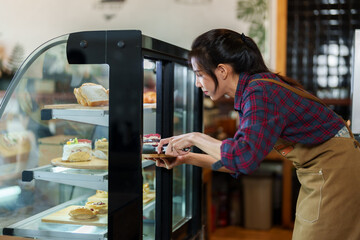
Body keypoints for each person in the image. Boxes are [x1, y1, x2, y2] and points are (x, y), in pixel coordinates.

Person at [148, 29, 360, 239]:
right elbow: (241, 160)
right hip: (327, 170)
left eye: (200, 74)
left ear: (221, 71)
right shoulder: (255, 88)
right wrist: (186, 158)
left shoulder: (259, 92)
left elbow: (242, 157)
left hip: (335, 171)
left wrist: (195, 137)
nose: (197, 83)